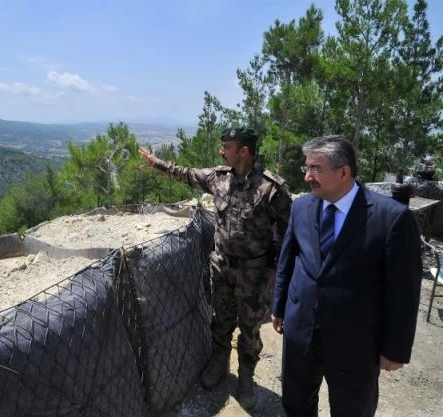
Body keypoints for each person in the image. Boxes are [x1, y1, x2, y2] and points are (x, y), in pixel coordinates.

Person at [139, 127, 292, 410]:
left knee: (250, 329)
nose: (221, 151)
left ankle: (246, 376)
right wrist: (157, 163)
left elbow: (287, 230)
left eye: (227, 147)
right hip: (222, 267)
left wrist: (274, 268)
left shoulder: (271, 188)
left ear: (243, 151)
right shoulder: (218, 178)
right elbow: (187, 174)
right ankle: (219, 361)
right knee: (221, 320)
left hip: (254, 273)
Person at [271, 135, 422, 416]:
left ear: (343, 172)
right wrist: (279, 307)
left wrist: (395, 349)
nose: (306, 177)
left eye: (315, 169)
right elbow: (287, 260)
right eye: (307, 167)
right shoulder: (301, 207)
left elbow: (404, 291)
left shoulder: (392, 218)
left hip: (355, 343)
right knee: (296, 403)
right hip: (301, 331)